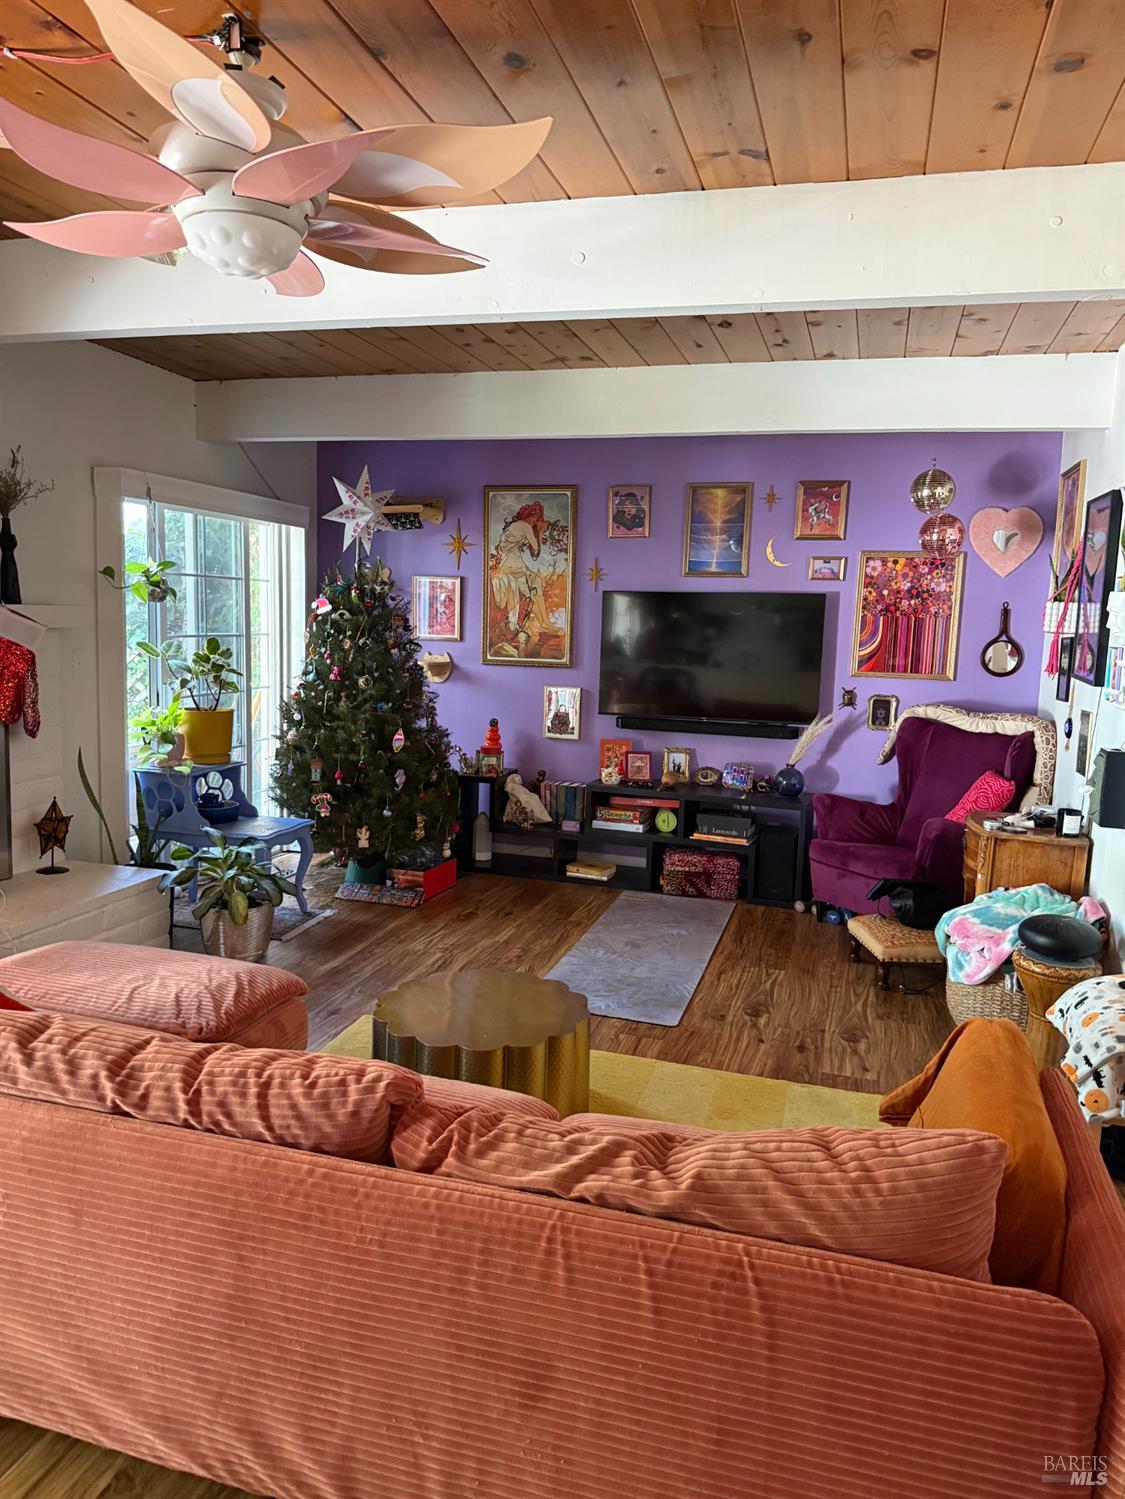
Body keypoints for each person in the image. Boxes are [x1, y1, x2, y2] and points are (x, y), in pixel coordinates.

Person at [490, 500, 555, 656]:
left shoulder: (515, 526)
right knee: (534, 587)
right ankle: (545, 623)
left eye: (537, 518)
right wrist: (540, 531)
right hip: (513, 569)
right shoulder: (524, 526)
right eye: (534, 517)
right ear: (529, 515)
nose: (535, 521)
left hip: (514, 566)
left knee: (536, 582)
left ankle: (545, 622)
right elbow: (536, 553)